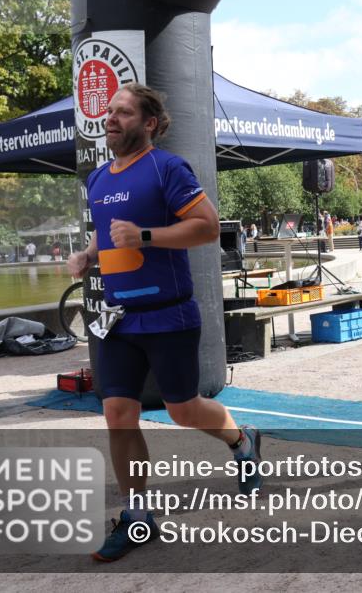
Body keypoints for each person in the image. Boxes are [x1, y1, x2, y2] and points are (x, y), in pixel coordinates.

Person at [66, 83, 262, 562]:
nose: (110, 118)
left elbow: (208, 226)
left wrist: (146, 235)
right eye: (109, 111)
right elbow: (107, 236)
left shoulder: (167, 167)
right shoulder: (97, 179)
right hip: (117, 321)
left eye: (124, 113)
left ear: (148, 123)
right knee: (117, 414)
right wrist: (88, 255)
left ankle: (242, 440)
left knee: (183, 410)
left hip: (169, 314)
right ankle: (137, 516)